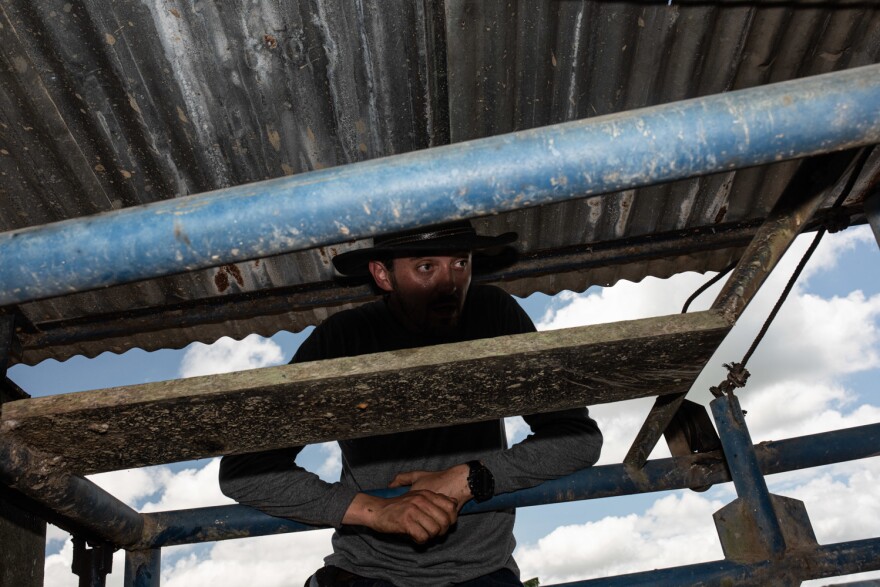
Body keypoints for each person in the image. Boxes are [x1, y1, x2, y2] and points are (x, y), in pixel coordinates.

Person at [219, 220, 603, 586]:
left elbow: (578, 438)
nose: (449, 284)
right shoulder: (344, 338)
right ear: (383, 275)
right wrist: (376, 509)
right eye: (425, 267)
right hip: (367, 571)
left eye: (460, 263)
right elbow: (245, 470)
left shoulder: (493, 315)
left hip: (482, 571)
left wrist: (470, 478)